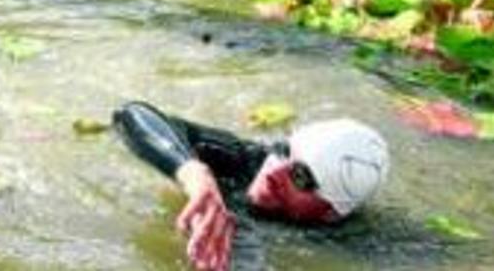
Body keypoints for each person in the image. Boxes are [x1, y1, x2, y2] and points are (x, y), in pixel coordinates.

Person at [113, 100, 389, 271]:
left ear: (331, 212)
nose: (274, 170)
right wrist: (192, 172)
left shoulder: (355, 241)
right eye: (284, 149)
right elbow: (128, 114)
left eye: (301, 176)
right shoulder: (243, 161)